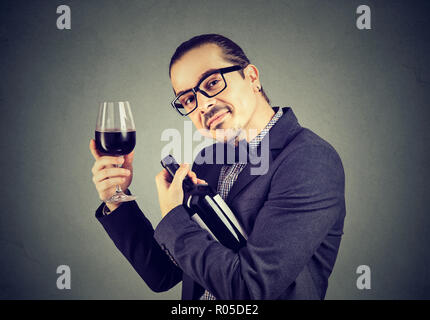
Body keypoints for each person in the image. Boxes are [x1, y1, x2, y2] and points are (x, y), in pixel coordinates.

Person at [89, 34, 346, 300]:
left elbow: (248, 289)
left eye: (212, 83)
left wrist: (173, 216)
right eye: (188, 99)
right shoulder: (207, 161)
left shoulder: (309, 160)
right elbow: (163, 274)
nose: (203, 105)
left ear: (252, 77)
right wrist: (116, 197)